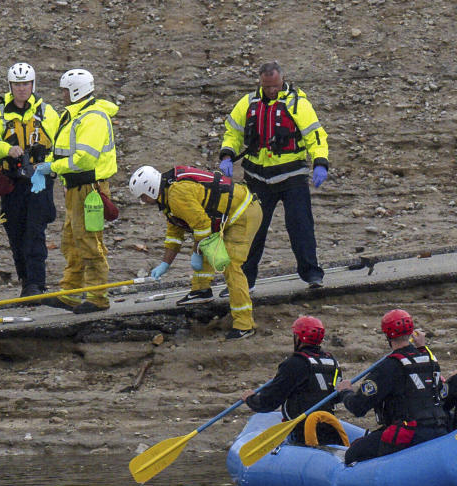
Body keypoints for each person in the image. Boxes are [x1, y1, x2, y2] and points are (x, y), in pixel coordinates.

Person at [218, 61, 329, 294]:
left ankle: (312, 274)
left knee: (300, 227)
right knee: (252, 231)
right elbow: (233, 133)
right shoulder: (248, 103)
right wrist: (227, 155)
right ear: (261, 82)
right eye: (267, 86)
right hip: (258, 178)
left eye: (275, 86)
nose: (272, 91)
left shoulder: (298, 103)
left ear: (282, 80)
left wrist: (320, 162)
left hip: (292, 176)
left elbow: (315, 136)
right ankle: (244, 281)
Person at [128, 164, 262, 340]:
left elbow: (202, 226)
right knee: (204, 242)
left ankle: (244, 324)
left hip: (243, 214)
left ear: (151, 189)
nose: (143, 201)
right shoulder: (167, 196)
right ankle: (201, 290)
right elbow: (175, 233)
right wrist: (165, 264)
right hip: (227, 215)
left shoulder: (176, 195)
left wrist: (197, 253)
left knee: (231, 267)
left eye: (143, 197)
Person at [33, 68, 118, 314]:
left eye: (64, 91)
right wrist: (45, 167)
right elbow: (63, 151)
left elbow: (84, 160)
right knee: (71, 241)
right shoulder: (74, 116)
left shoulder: (93, 118)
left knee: (89, 242)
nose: (62, 95)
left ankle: (97, 297)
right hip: (75, 189)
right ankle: (70, 293)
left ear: (75, 91)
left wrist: (52, 167)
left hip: (89, 189)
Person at [0, 62, 59, 298]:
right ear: (10, 86)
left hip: (39, 179)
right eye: (17, 84)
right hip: (11, 181)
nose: (22, 89)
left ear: (33, 84)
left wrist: (46, 166)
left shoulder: (47, 113)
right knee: (15, 231)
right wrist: (6, 149)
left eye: (25, 84)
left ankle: (36, 283)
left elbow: (61, 144)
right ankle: (25, 280)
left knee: (35, 230)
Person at [336, 309, 450, 465]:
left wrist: (345, 392)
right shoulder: (431, 361)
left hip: (409, 433)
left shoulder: (389, 366)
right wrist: (421, 347)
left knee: (353, 453)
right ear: (411, 332)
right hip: (440, 429)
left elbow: (358, 407)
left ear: (387, 335)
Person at [240, 316, 347, 445]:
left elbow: (268, 402)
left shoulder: (294, 363)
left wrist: (250, 399)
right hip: (329, 427)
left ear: (298, 338)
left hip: (303, 431)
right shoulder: (333, 362)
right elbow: (336, 396)